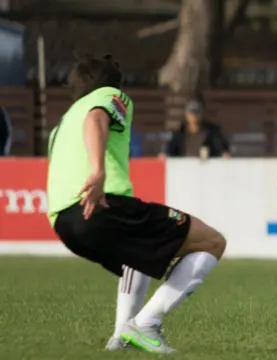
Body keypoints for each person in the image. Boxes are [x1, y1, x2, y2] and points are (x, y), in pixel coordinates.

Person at [46, 54, 227, 354]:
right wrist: (98, 171)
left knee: (139, 252)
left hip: (64, 223)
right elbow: (97, 119)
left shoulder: (63, 123)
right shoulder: (109, 97)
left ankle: (120, 338)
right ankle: (145, 324)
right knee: (211, 242)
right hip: (102, 206)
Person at [165, 100, 231, 159]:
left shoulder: (212, 132)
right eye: (191, 114)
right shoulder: (179, 133)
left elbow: (220, 147)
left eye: (196, 114)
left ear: (201, 115)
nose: (194, 117)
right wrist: (165, 155)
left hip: (205, 168)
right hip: (184, 167)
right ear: (186, 115)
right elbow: (171, 149)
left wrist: (223, 153)